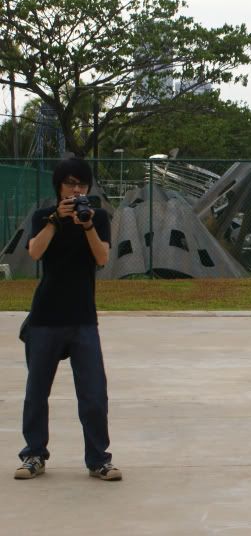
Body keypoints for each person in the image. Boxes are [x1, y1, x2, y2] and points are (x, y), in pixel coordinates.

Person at [14, 157, 121, 481]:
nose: (76, 190)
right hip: (45, 318)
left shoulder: (98, 217)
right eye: (70, 184)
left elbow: (102, 257)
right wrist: (54, 222)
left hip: (82, 319)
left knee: (93, 394)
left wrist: (86, 224)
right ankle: (33, 455)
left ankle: (99, 459)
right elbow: (34, 252)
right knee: (36, 393)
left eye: (82, 184)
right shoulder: (42, 217)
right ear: (59, 187)